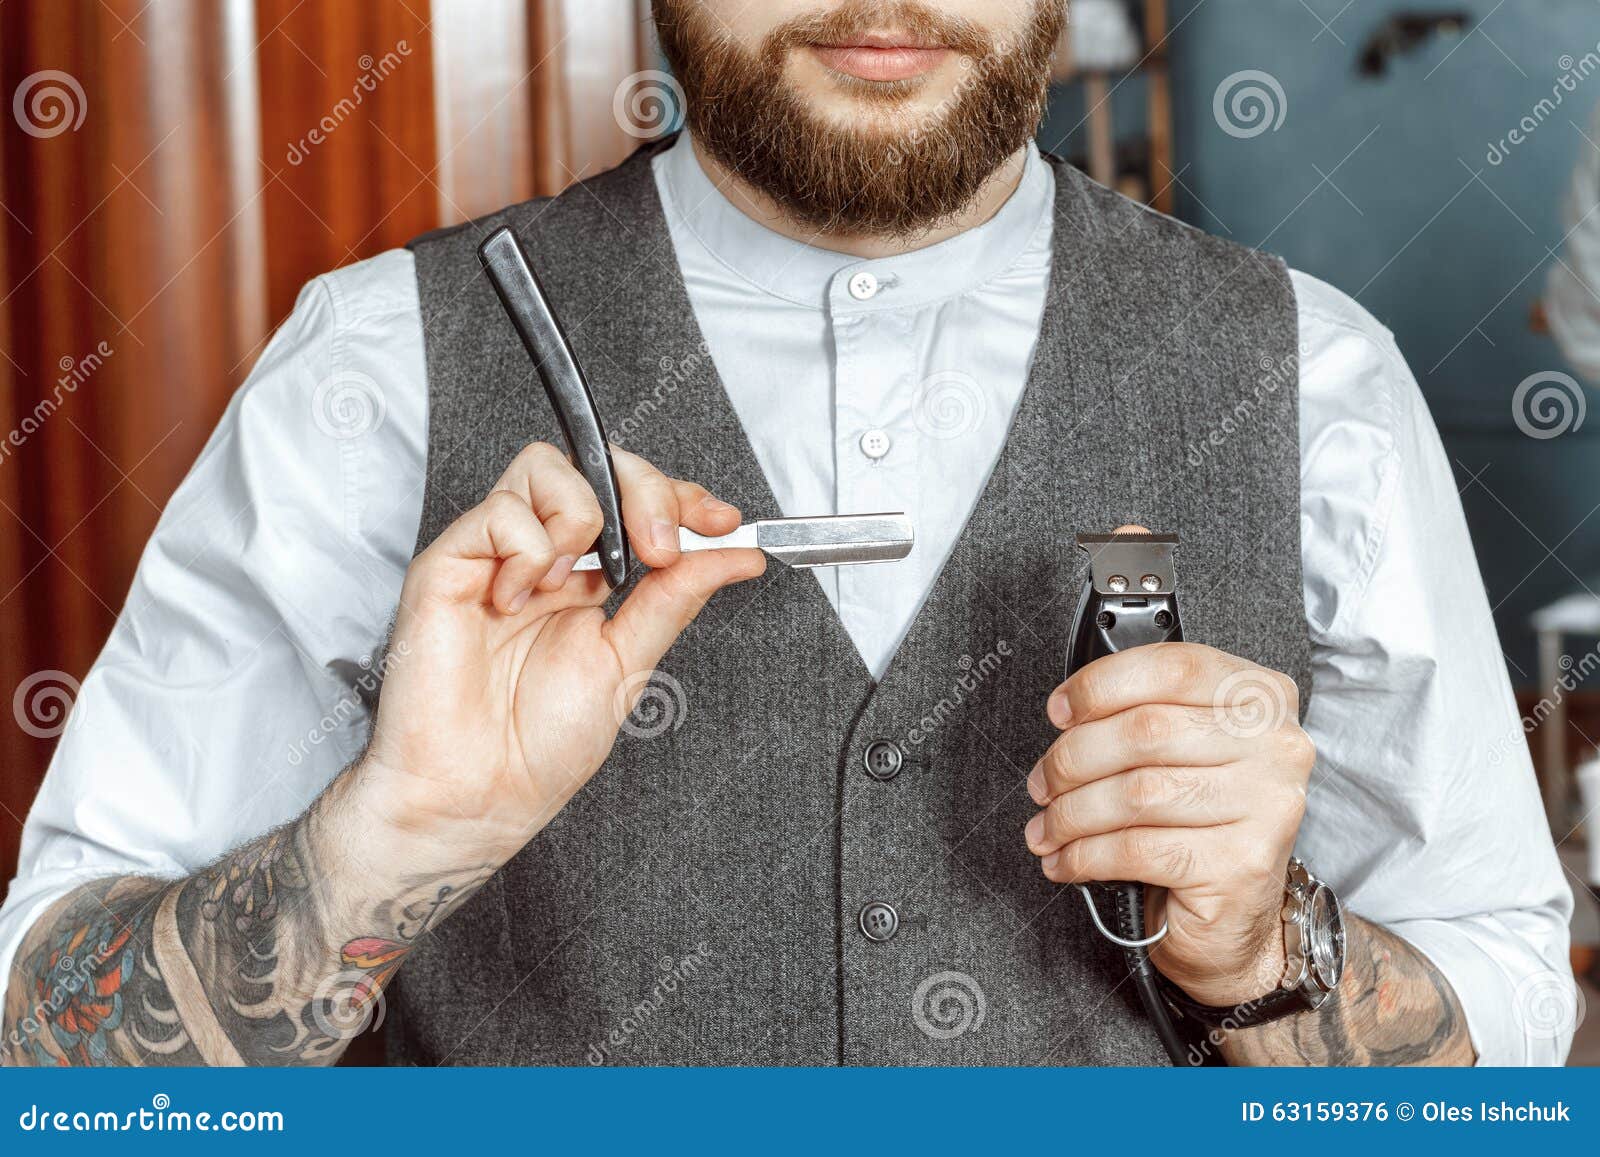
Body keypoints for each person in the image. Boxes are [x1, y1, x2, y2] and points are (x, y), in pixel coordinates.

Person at [0, 0, 1572, 1067]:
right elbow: (54, 1079)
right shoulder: (373, 369)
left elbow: (1501, 1054)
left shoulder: (1320, 377)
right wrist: (384, 838)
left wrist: (1261, 951)